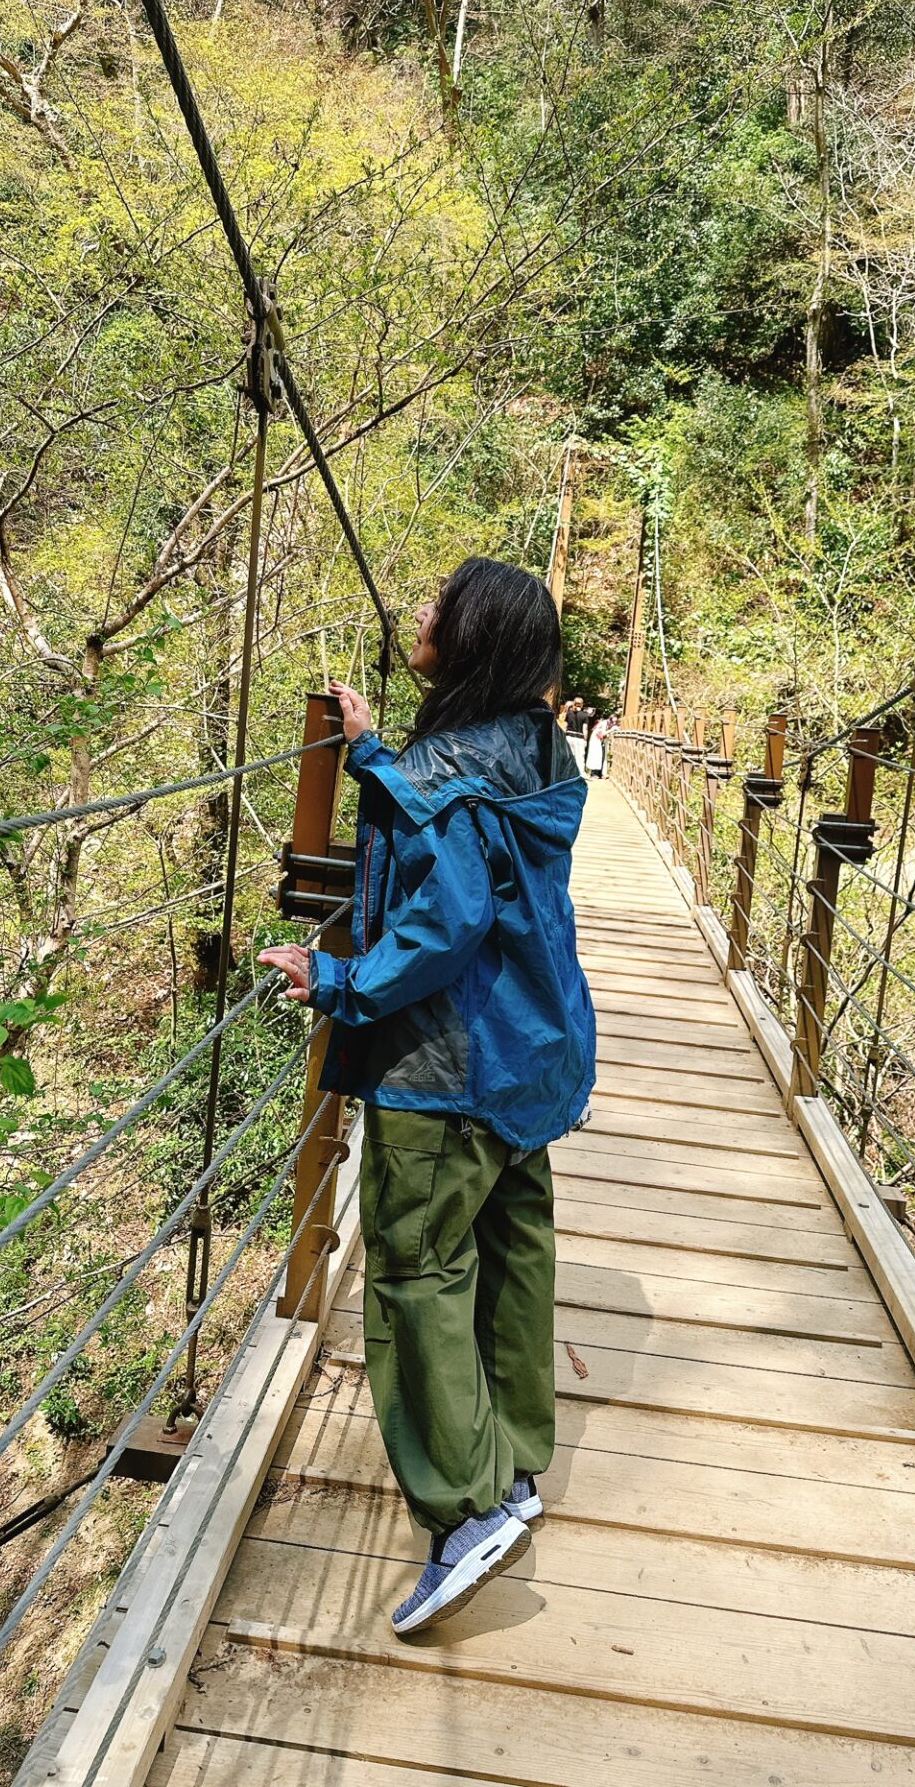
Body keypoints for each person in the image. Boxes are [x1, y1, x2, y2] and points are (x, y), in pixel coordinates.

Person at [261, 558, 596, 1637]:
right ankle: (513, 1463)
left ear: (475, 634)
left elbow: (444, 921)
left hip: (450, 1064)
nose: (420, 610)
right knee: (510, 1250)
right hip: (533, 1048)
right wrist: (372, 757)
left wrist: (339, 981)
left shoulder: (451, 764)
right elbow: (461, 826)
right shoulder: (535, 748)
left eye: (439, 604)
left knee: (415, 1272)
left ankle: (465, 1508)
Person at [562, 695, 586, 771]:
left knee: (568, 756)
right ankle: (580, 773)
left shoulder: (569, 713)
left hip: (569, 736)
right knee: (579, 757)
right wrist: (585, 740)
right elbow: (584, 729)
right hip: (579, 738)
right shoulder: (585, 715)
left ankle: (567, 772)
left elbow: (565, 726)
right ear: (582, 704)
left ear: (574, 703)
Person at [586, 712, 612, 779]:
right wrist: (612, 730)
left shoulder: (600, 724)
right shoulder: (603, 724)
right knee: (595, 757)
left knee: (596, 757)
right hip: (596, 743)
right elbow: (602, 734)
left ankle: (595, 773)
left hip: (596, 743)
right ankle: (593, 774)